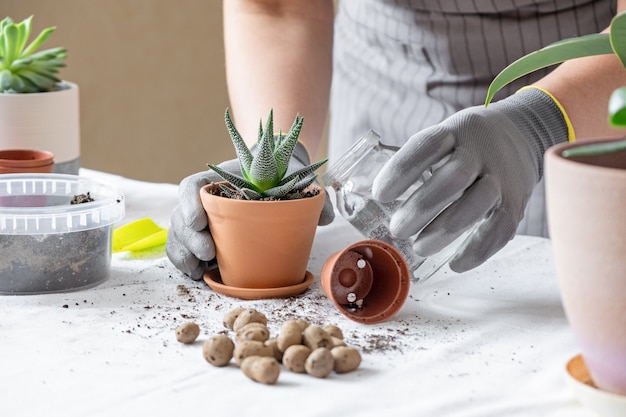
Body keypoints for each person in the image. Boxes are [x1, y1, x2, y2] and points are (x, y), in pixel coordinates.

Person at [166, 0, 626, 280]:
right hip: (380, 86)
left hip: (587, 99)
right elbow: (279, 7)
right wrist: (274, 165)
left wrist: (535, 125)